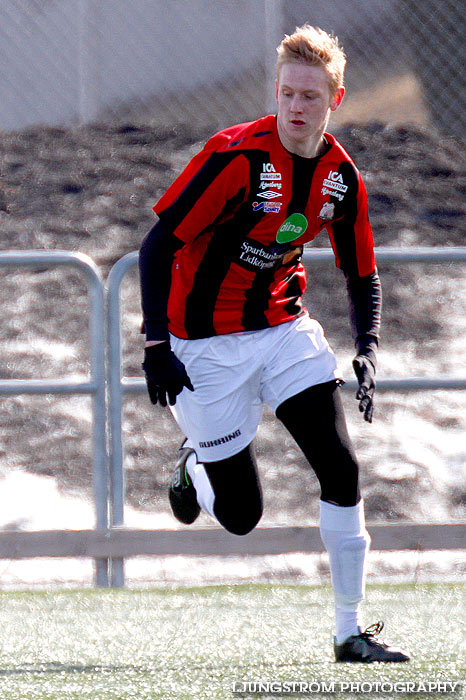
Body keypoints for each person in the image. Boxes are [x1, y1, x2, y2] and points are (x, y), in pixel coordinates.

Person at [138, 25, 409, 663]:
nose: (295, 106)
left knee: (341, 468)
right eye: (286, 92)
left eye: (310, 96)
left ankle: (349, 630)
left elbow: (362, 270)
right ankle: (194, 466)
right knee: (240, 516)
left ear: (335, 99)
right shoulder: (235, 157)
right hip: (203, 346)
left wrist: (367, 345)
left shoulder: (341, 179)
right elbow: (158, 246)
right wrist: (155, 343)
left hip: (285, 332)